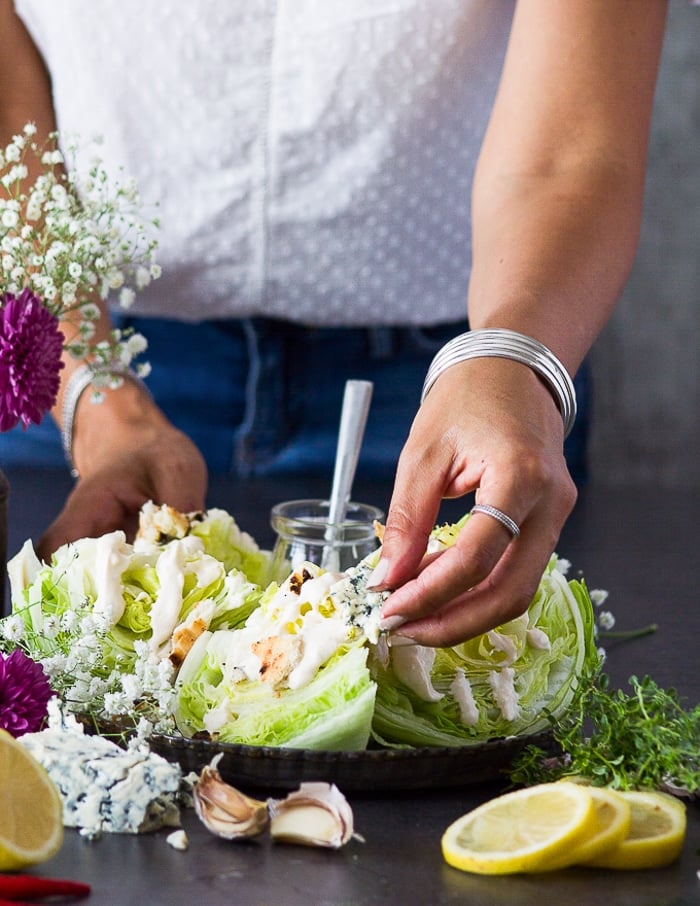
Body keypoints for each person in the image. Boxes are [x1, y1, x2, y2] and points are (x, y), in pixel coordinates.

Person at [0, 1, 668, 646]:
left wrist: (510, 357)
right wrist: (88, 386)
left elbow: (569, 155)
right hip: (86, 357)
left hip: (461, 397)